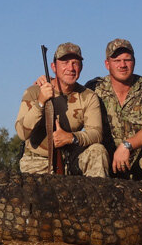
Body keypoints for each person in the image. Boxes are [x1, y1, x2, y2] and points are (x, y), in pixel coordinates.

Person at [84, 38, 142, 184]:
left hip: (137, 160)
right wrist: (47, 82)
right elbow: (69, 94)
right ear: (107, 64)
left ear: (134, 62)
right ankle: (99, 201)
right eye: (117, 60)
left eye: (127, 60)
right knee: (95, 150)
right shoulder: (93, 88)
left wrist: (127, 146)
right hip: (105, 161)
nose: (123, 65)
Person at [15, 42, 109, 176]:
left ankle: (99, 196)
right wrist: (40, 103)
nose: (70, 68)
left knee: (97, 151)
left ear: (81, 67)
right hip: (36, 160)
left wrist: (71, 138)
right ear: (53, 67)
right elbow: (22, 133)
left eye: (75, 63)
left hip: (71, 159)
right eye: (65, 62)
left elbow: (96, 134)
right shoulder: (33, 92)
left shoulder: (89, 96)